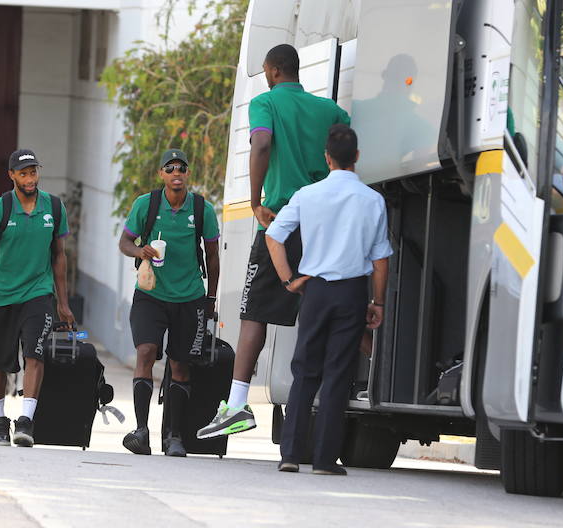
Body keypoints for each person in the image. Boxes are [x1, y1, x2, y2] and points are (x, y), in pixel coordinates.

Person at [198, 43, 350, 439]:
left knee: (255, 313)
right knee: (329, 309)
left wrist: (254, 200)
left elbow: (262, 143)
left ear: (272, 70)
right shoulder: (331, 111)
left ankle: (236, 405)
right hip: (326, 224)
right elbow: (346, 152)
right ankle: (358, 380)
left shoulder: (265, 102)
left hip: (282, 221)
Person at [265, 124, 391, 474]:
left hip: (315, 290)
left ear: (327, 158)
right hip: (352, 292)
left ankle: (290, 454)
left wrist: (289, 280)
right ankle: (323, 460)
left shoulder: (308, 194)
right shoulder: (373, 200)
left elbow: (273, 237)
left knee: (305, 371)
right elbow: (380, 261)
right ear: (357, 157)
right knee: (338, 374)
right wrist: (377, 303)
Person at [0, 149, 76, 447]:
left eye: (34, 172)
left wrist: (63, 302)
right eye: (24, 173)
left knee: (35, 353)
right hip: (0, 294)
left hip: (38, 293)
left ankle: (26, 421)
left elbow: (59, 256)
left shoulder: (53, 207)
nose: (30, 178)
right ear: (12, 176)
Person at [119, 149, 220, 457]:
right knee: (146, 352)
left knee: (180, 364)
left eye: (182, 168)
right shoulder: (146, 204)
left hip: (189, 297)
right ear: (161, 174)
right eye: (170, 167)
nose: (176, 172)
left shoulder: (202, 209)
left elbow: (213, 257)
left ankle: (174, 436)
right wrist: (141, 252)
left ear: (188, 174)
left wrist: (211, 298)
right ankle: (141, 431)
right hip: (150, 294)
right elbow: (124, 242)